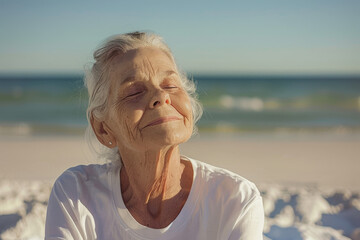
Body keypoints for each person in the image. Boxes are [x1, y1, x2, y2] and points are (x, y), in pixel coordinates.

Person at [45, 31, 264, 239]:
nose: (161, 96)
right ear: (103, 128)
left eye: (170, 85)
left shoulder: (235, 199)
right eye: (135, 92)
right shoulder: (76, 194)